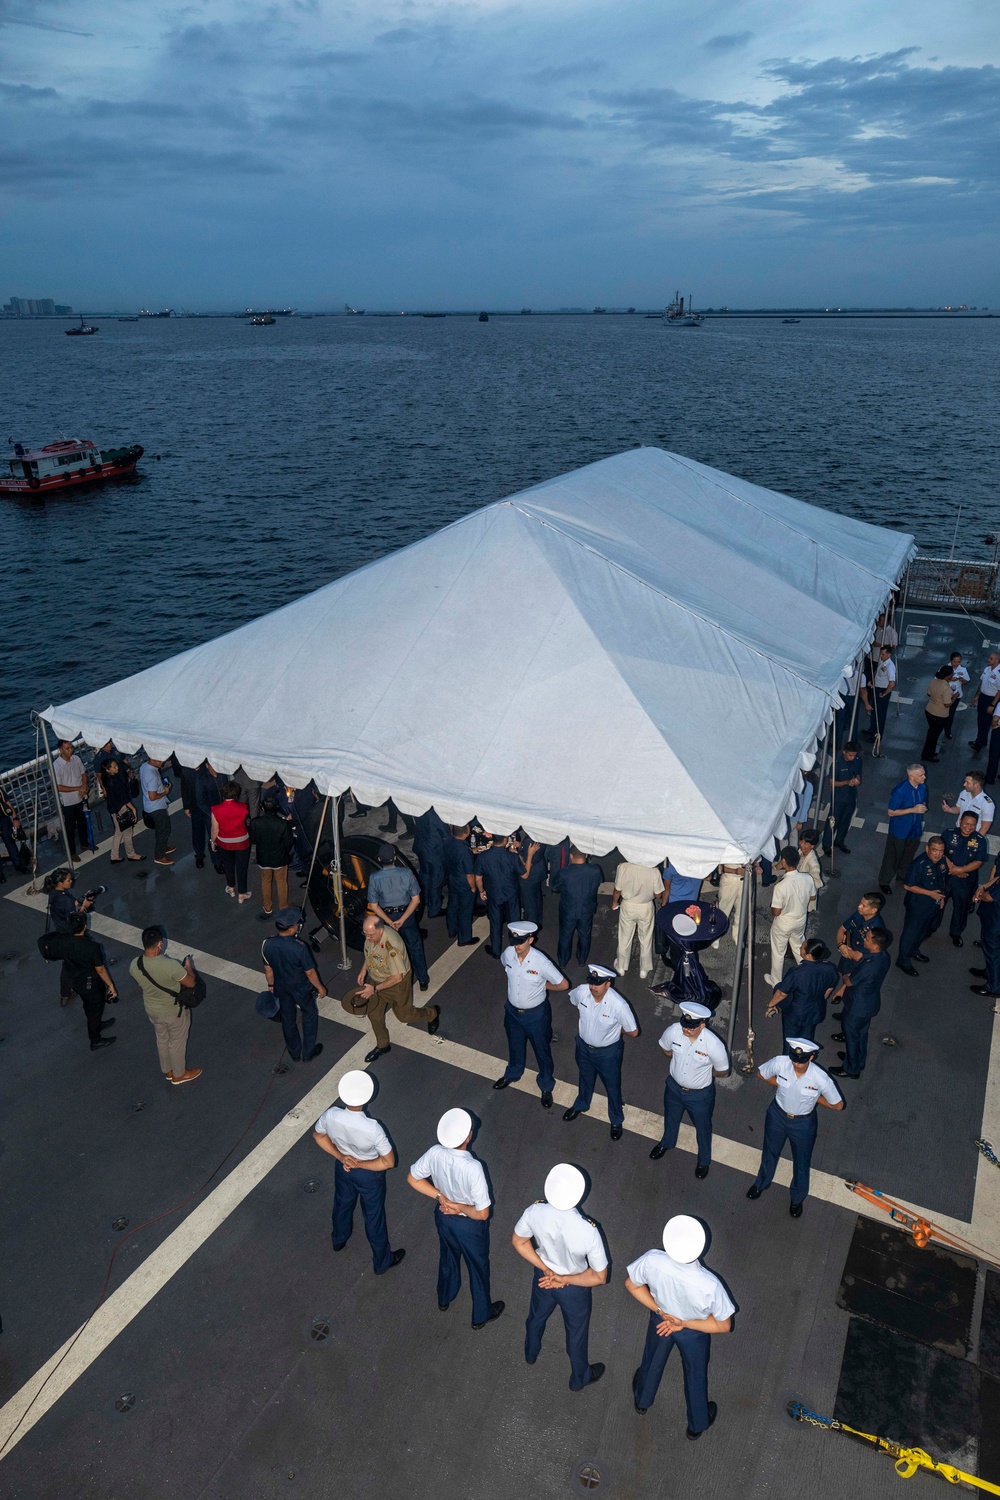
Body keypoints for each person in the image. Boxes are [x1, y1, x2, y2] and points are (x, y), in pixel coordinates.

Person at [626, 1214, 734, 1434]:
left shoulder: (652, 1260)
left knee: (652, 1360)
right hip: (693, 1332)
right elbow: (724, 1326)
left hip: (661, 1321)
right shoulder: (709, 1284)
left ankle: (642, 1401)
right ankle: (697, 1424)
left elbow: (632, 1284)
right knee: (695, 1374)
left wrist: (661, 1312)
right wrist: (683, 1323)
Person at [511, 1164, 608, 1390]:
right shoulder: (588, 1230)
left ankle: (531, 1352)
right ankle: (579, 1378)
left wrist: (545, 1268)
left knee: (536, 1317)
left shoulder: (535, 1211)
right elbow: (600, 1276)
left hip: (543, 1276)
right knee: (576, 1334)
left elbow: (518, 1241)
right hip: (573, 1286)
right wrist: (564, 1279)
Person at [407, 1108, 503, 1328]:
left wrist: (441, 1198)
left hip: (443, 1217)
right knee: (477, 1267)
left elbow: (413, 1178)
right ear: (468, 1137)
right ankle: (481, 1314)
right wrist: (457, 1206)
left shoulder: (434, 1153)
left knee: (448, 1257)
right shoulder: (473, 1167)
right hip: (468, 1225)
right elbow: (482, 1213)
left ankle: (444, 1297)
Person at [313, 1070, 404, 1275]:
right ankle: (382, 1261)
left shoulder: (331, 1115)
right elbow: (389, 1162)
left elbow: (318, 1136)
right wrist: (359, 1164)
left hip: (343, 1167)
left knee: (342, 1204)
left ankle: (339, 1238)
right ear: (368, 1097)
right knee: (374, 1216)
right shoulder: (373, 1128)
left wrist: (342, 1157)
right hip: (368, 1174)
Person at [746, 1038, 844, 1216]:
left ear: (811, 1057)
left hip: (803, 1123)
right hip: (777, 1115)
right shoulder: (780, 1063)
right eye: (794, 1059)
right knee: (769, 1151)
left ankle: (797, 1198)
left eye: (802, 1060)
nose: (797, 1064)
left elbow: (838, 1105)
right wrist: (782, 1085)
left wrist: (815, 1099)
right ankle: (761, 1183)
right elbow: (761, 1074)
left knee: (801, 1161)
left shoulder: (821, 1078)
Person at [341, 913, 439, 1063]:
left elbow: (397, 977)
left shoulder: (391, 946)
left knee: (404, 1016)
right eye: (365, 934)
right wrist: (364, 970)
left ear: (380, 931)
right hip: (376, 979)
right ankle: (383, 1045)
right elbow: (370, 954)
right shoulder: (372, 936)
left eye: (370, 934)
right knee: (374, 1014)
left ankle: (431, 1013)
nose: (367, 937)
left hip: (396, 985)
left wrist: (374, 989)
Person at [649, 1002, 730, 1176]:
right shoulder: (674, 1031)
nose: (686, 1030)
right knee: (671, 1118)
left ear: (702, 1025)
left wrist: (701, 1076)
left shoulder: (714, 1045)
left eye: (691, 1027)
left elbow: (723, 1071)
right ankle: (667, 1143)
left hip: (699, 1096)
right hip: (673, 1088)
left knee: (702, 1127)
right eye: (685, 1025)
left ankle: (703, 1160)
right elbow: (665, 1048)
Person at [492, 921, 567, 1107]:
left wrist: (542, 985)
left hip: (535, 1015)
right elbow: (504, 964)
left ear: (531, 940)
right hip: (512, 1012)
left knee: (542, 1051)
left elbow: (563, 984)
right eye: (514, 941)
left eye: (521, 942)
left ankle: (546, 1085)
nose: (516, 946)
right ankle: (513, 1073)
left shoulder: (540, 961)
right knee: (515, 1045)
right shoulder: (508, 954)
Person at [562, 964, 638, 1140]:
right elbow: (574, 1002)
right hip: (583, 1047)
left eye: (598, 983)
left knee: (612, 1085)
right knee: (585, 1077)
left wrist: (616, 1030)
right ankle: (581, 1104)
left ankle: (616, 1119)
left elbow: (633, 1031)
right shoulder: (582, 991)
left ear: (608, 984)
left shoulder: (618, 1005)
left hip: (608, 1053)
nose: (593, 987)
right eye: (592, 982)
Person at [129, 927, 201, 1084]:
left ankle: (168, 1070)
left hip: (152, 1010)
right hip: (173, 1011)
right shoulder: (170, 965)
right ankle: (179, 1074)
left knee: (161, 1039)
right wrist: (188, 966)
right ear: (160, 944)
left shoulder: (135, 964)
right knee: (177, 1042)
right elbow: (190, 982)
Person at [262, 906, 328, 1062]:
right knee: (309, 1015)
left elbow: (268, 970)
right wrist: (320, 988)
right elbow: (310, 973)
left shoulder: (267, 944)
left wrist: (271, 985)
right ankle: (308, 1051)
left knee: (288, 1019)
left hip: (281, 988)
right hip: (301, 988)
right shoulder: (300, 948)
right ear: (291, 928)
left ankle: (294, 1052)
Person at [828, 927, 892, 1078]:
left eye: (868, 938)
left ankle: (851, 1069)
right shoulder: (883, 956)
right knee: (861, 1034)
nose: (864, 939)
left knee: (851, 1035)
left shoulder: (869, 965)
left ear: (875, 945)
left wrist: (845, 976)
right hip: (869, 1003)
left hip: (857, 1005)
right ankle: (858, 1059)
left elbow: (849, 981)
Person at [367, 842, 429, 989]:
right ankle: (423, 980)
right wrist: (402, 919)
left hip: (386, 919)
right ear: (395, 857)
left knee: (389, 949)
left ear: (380, 860)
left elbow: (374, 905)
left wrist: (390, 921)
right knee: (415, 947)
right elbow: (416, 900)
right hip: (406, 916)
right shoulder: (407, 873)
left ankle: (394, 979)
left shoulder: (374, 878)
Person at [61, 911, 118, 1049]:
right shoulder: (92, 947)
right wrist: (111, 986)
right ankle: (95, 1039)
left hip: (75, 980)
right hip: (90, 983)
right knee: (94, 1009)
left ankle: (97, 1023)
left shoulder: (64, 942)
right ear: (85, 926)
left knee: (89, 1007)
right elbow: (100, 969)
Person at [765, 939, 838, 1042]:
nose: (800, 948)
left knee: (790, 1042)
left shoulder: (797, 972)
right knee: (806, 1040)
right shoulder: (831, 968)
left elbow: (781, 993)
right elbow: (829, 989)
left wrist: (771, 1005)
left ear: (808, 955)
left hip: (796, 1013)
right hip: (816, 1011)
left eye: (802, 947)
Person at [896, 836, 948, 976]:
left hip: (933, 904)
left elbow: (942, 879)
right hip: (918, 905)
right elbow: (908, 885)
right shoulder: (919, 864)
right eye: (934, 850)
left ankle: (914, 950)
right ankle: (903, 960)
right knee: (911, 933)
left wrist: (941, 898)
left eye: (941, 851)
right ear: (927, 849)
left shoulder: (942, 860)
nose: (938, 854)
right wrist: (930, 893)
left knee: (923, 931)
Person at [44, 867, 96, 1005]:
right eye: (68, 880)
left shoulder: (54, 894)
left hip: (63, 936)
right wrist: (84, 906)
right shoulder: (64, 900)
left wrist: (77, 902)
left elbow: (66, 907)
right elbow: (75, 919)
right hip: (74, 936)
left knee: (67, 965)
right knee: (90, 959)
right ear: (60, 882)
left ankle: (65, 995)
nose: (71, 881)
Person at [764, 847, 814, 988]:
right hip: (800, 920)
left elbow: (776, 912)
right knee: (798, 946)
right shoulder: (807, 878)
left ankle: (776, 981)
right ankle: (806, 974)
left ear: (784, 861)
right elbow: (813, 896)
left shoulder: (781, 886)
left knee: (778, 952)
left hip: (784, 923)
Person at [878, 764, 927, 893]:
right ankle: (884, 881)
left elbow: (923, 801)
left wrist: (922, 807)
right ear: (912, 776)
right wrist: (913, 809)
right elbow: (891, 812)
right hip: (900, 831)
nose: (924, 777)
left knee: (908, 855)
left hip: (915, 829)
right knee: (892, 857)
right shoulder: (900, 791)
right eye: (921, 775)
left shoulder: (922, 788)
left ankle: (902, 875)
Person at [552, 847, 604, 969]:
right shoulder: (595, 870)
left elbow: (554, 887)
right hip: (587, 908)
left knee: (565, 935)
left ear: (570, 856)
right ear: (586, 854)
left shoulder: (564, 873)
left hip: (568, 909)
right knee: (585, 934)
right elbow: (599, 881)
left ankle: (563, 961)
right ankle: (582, 959)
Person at [612, 860, 665, 979]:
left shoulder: (623, 867)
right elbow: (658, 895)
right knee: (646, 938)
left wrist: (615, 902)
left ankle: (621, 966)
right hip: (646, 906)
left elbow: (617, 890)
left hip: (628, 905)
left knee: (624, 936)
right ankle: (644, 969)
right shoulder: (654, 870)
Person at [942, 812, 986, 947]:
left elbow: (978, 862)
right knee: (938, 904)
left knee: (961, 909)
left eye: (972, 824)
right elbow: (941, 853)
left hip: (965, 881)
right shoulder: (948, 834)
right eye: (966, 823)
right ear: (960, 821)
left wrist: (960, 870)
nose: (969, 827)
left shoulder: (980, 840)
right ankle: (931, 927)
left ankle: (955, 933)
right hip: (946, 878)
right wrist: (953, 869)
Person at [475, 833, 522, 957]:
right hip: (511, 893)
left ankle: (496, 950)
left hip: (494, 893)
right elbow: (522, 872)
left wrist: (481, 891)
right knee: (514, 922)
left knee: (495, 922)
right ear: (505, 840)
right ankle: (516, 947)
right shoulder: (511, 856)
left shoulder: (483, 856)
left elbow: (478, 877)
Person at [249, 793, 295, 918]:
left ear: (262, 808)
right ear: (276, 808)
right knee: (281, 882)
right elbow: (289, 842)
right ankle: (283, 906)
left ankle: (267, 907)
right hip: (279, 857)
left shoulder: (255, 822)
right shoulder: (282, 823)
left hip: (263, 857)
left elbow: (252, 839)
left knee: (265, 881)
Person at [834, 893, 886, 993]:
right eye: (860, 903)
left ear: (873, 910)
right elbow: (842, 929)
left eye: (864, 905)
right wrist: (841, 945)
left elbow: (860, 956)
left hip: (858, 963)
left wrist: (845, 949)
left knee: (852, 986)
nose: (859, 906)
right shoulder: (859, 914)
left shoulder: (875, 929)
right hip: (848, 952)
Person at [99, 757, 144, 864]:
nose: (117, 768)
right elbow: (123, 798)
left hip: (113, 808)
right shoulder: (115, 781)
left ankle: (114, 856)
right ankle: (131, 854)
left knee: (119, 832)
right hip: (121, 808)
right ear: (108, 769)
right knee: (128, 832)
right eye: (114, 767)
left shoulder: (107, 780)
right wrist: (133, 808)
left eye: (116, 766)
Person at [53, 739, 90, 862]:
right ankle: (72, 852)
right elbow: (58, 786)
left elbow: (83, 773)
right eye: (67, 748)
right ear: (60, 750)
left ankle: (84, 843)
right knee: (69, 828)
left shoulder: (76, 759)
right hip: (68, 802)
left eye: (71, 747)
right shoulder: (56, 765)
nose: (70, 750)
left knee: (82, 822)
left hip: (80, 797)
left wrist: (83, 786)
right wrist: (78, 787)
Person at [823, 742, 862, 855]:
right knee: (832, 822)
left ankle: (839, 841)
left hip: (851, 797)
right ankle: (826, 844)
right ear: (844, 752)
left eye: (854, 755)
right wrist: (846, 782)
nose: (852, 758)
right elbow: (831, 782)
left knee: (845, 821)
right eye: (850, 755)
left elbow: (859, 774)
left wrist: (858, 780)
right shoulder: (837, 764)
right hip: (838, 798)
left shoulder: (857, 761)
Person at [444, 824, 478, 947]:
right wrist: (473, 887)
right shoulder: (464, 851)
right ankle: (464, 938)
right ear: (466, 832)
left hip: (452, 879)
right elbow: (469, 874)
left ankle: (452, 930)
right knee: (465, 911)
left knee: (453, 905)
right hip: (463, 884)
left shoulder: (448, 841)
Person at [971, 854, 1000, 998]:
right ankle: (989, 972)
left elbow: (991, 897)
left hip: (997, 917)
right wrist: (983, 886)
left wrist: (978, 895)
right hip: (992, 913)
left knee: (993, 949)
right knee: (988, 945)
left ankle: (994, 987)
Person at [413, 807, 449, 918]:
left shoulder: (418, 810)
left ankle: (426, 900)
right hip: (434, 851)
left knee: (425, 874)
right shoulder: (434, 815)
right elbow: (445, 832)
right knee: (436, 879)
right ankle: (434, 909)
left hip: (421, 846)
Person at [139, 756, 175, 865]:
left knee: (161, 829)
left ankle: (163, 847)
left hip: (149, 806)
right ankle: (160, 855)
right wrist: (165, 792)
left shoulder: (144, 767)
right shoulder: (152, 775)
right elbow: (152, 796)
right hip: (157, 807)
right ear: (153, 759)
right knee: (164, 830)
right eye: (160, 760)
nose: (162, 762)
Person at [193, 759, 225, 872]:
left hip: (223, 811)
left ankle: (224, 858)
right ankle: (217, 862)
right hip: (210, 814)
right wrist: (212, 814)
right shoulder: (201, 779)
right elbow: (200, 801)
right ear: (207, 766)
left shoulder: (222, 775)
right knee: (213, 838)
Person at [942, 771, 995, 835]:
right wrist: (949, 809)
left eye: (968, 783)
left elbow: (985, 827)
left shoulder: (987, 804)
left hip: (973, 834)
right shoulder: (964, 793)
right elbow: (958, 809)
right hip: (959, 830)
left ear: (977, 785)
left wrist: (975, 840)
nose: (964, 784)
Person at [861, 646, 896, 741]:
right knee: (874, 710)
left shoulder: (890, 667)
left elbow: (892, 683)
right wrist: (873, 681)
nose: (880, 656)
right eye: (880, 654)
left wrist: (884, 693)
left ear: (889, 654)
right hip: (877, 688)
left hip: (882, 691)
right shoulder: (882, 661)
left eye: (883, 654)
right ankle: (872, 730)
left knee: (880, 714)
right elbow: (878, 672)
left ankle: (877, 735)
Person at [921, 664, 954, 762]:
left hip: (930, 710)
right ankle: (927, 754)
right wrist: (955, 696)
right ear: (948, 676)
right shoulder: (946, 688)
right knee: (934, 735)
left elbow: (929, 693)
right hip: (940, 714)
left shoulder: (934, 681)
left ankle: (930, 751)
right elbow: (947, 704)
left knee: (932, 732)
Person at [969, 651, 1000, 752]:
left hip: (991, 700)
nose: (988, 660)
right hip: (983, 697)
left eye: (991, 659)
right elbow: (982, 682)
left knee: (985, 722)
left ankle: (978, 744)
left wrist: (992, 704)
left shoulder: (999, 674)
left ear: (997, 660)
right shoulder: (987, 669)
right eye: (989, 658)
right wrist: (977, 695)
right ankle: (983, 740)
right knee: (980, 719)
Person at [517, 834, 548, 930]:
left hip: (530, 876)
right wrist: (521, 845)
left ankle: (530, 928)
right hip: (538, 872)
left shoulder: (529, 841)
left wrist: (517, 853)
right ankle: (538, 923)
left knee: (529, 904)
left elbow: (526, 865)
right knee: (537, 900)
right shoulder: (540, 835)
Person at [0, 784, 30, 875]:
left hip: (3, 819)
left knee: (10, 842)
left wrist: (15, 818)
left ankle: (19, 865)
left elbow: (7, 803)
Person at [713, 862, 746, 942]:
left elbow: (755, 861)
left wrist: (756, 866)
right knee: (723, 910)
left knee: (741, 910)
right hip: (729, 880)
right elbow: (719, 868)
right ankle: (716, 936)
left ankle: (737, 935)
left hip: (745, 880)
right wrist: (735, 871)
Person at [797, 829, 823, 921]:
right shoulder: (800, 851)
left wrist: (809, 895)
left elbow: (817, 882)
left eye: (806, 843)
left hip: (804, 893)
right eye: (801, 841)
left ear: (812, 846)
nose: (802, 844)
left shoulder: (813, 863)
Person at [946, 652, 970, 740]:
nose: (956, 664)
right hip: (945, 695)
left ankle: (947, 731)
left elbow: (967, 681)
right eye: (955, 662)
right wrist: (949, 679)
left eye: (958, 662)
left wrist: (962, 680)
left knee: (951, 714)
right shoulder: (945, 668)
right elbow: (938, 679)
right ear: (951, 660)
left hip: (956, 695)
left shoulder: (963, 670)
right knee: (942, 713)